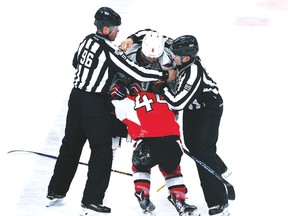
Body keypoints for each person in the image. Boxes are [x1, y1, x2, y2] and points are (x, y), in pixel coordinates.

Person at [46, 7, 171, 216]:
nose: (118, 32)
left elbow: (76, 62)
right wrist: (164, 74)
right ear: (105, 29)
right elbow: (136, 71)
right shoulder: (108, 50)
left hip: (75, 98)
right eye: (115, 29)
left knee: (70, 146)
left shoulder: (87, 40)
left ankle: (55, 191)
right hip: (93, 103)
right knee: (102, 150)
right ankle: (92, 201)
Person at [162, 35, 231, 216]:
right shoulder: (179, 53)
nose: (172, 56)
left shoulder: (193, 72)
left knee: (203, 155)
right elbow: (157, 36)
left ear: (186, 58)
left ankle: (219, 203)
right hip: (194, 109)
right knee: (193, 147)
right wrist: (132, 38)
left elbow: (177, 103)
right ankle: (220, 168)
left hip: (209, 110)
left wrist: (163, 86)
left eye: (176, 55)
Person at [112, 86, 200, 216]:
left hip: (147, 144)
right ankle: (179, 199)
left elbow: (117, 115)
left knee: (140, 166)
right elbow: (174, 116)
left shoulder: (129, 100)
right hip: (173, 144)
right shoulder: (167, 98)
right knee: (172, 170)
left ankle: (143, 193)